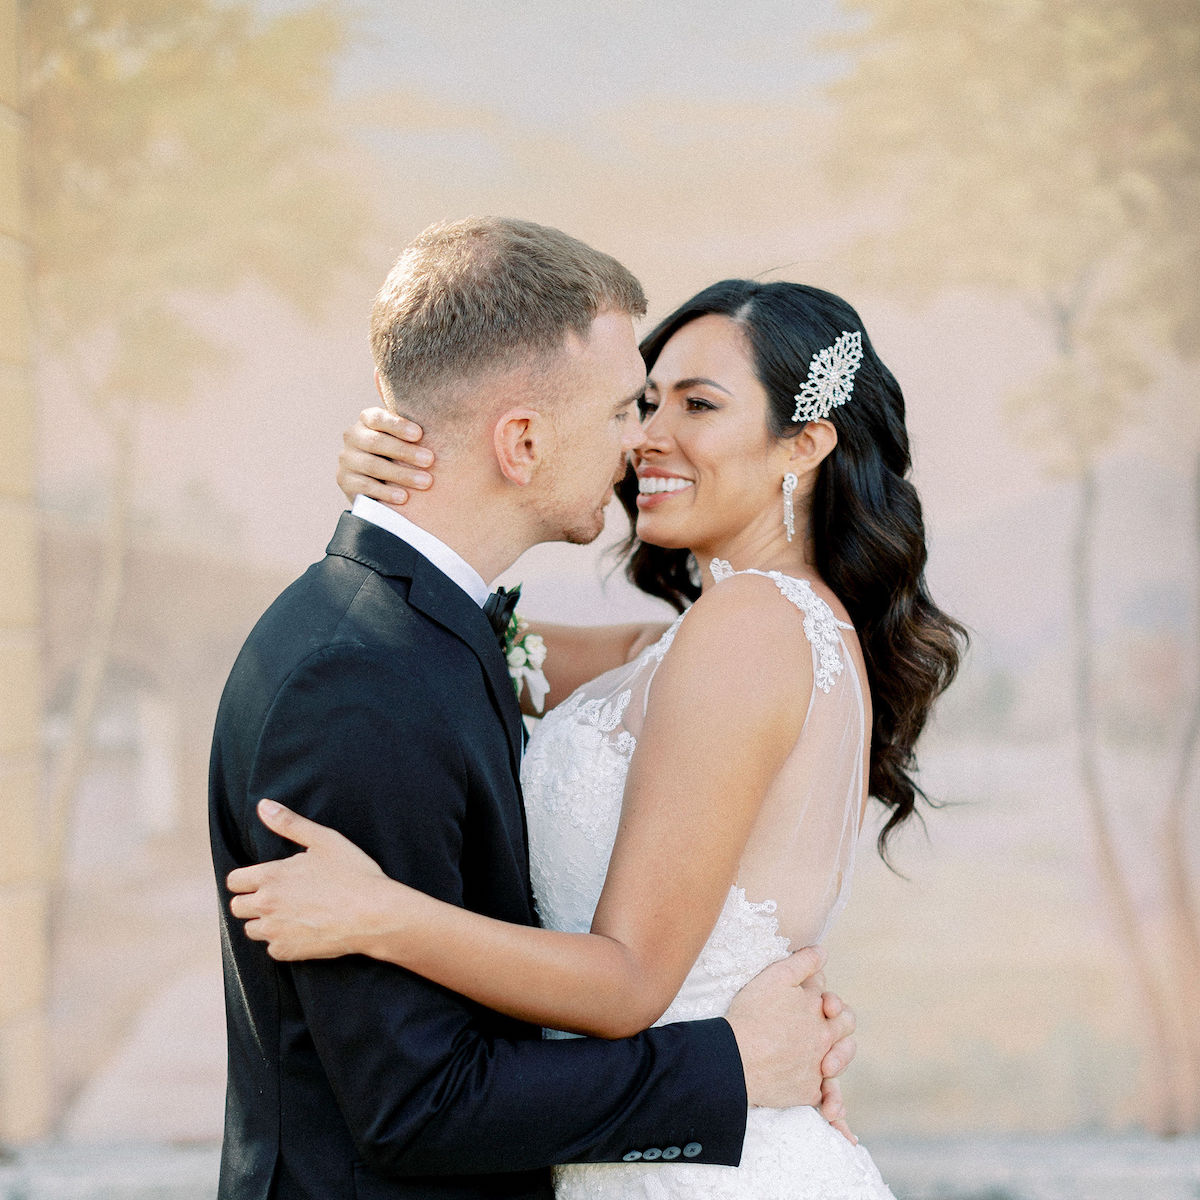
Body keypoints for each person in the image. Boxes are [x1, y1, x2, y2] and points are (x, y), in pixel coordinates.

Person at [227, 277, 967, 1198]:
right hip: (657, 1138)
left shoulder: (749, 629)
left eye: (698, 405)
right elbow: (470, 644)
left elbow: (625, 983)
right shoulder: (700, 641)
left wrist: (386, 915)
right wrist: (415, 481)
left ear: (805, 444)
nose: (648, 435)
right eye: (644, 403)